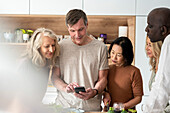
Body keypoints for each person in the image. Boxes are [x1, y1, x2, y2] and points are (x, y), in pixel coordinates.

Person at [52, 9, 109, 111]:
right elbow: (55, 77)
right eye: (72, 31)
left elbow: (103, 79)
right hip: (64, 107)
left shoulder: (100, 47)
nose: (77, 35)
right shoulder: (60, 47)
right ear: (68, 28)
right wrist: (65, 87)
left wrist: (95, 91)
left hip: (91, 108)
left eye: (81, 29)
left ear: (87, 25)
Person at [17, 28, 60, 104]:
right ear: (37, 47)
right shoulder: (25, 64)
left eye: (53, 45)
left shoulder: (46, 63)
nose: (51, 50)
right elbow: (16, 96)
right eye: (47, 46)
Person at [103, 37, 143, 111]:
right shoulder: (107, 69)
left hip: (126, 111)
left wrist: (122, 107)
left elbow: (138, 98)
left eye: (119, 55)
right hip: (109, 111)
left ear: (126, 56)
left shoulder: (134, 72)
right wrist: (105, 94)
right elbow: (104, 89)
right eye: (112, 52)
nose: (114, 57)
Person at [143, 7, 170, 113]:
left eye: (150, 26)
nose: (146, 29)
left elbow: (161, 86)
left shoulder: (169, 41)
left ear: (163, 30)